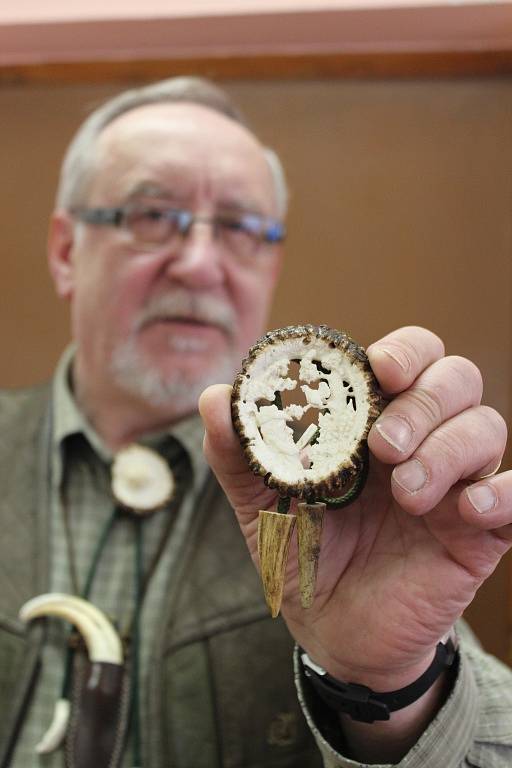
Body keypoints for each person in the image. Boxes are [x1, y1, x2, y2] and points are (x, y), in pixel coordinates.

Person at [0, 76, 510, 768]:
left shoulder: (357, 505)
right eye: (152, 215)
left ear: (270, 264)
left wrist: (391, 686)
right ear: (67, 252)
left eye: (242, 228)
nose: (202, 264)